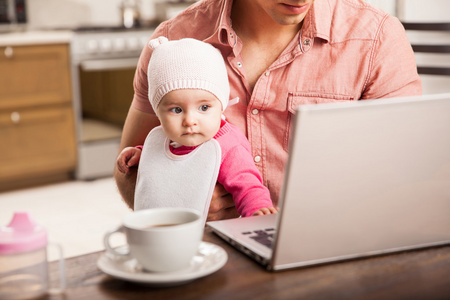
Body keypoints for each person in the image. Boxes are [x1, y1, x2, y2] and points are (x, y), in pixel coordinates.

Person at [115, 0, 422, 220]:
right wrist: (175, 199)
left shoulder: (376, 38)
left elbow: (413, 179)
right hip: (206, 257)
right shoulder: (174, 41)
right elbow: (128, 174)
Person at [117, 37, 277, 217]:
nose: (190, 120)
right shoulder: (164, 137)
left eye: (204, 108)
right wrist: (140, 154)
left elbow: (248, 185)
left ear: (221, 105)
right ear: (157, 111)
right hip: (167, 231)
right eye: (176, 110)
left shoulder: (228, 146)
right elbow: (161, 158)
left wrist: (258, 209)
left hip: (215, 234)